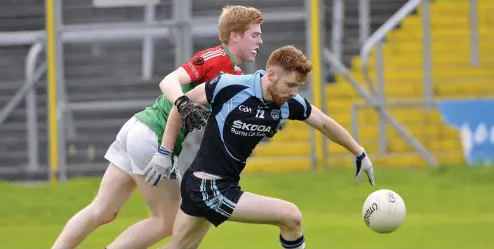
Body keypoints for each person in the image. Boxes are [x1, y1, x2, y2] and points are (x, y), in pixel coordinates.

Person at [51, 5, 264, 249]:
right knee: (169, 220)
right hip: (152, 137)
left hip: (136, 129)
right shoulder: (216, 58)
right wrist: (182, 105)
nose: (260, 40)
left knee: (103, 210)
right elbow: (169, 81)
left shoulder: (234, 74)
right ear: (235, 36)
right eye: (254, 35)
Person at [145, 45, 376, 249]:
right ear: (272, 75)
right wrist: (165, 153)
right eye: (290, 85)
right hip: (208, 185)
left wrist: (359, 152)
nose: (294, 93)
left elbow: (325, 123)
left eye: (298, 87)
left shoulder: (288, 103)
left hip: (213, 184)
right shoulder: (229, 86)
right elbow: (180, 107)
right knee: (291, 216)